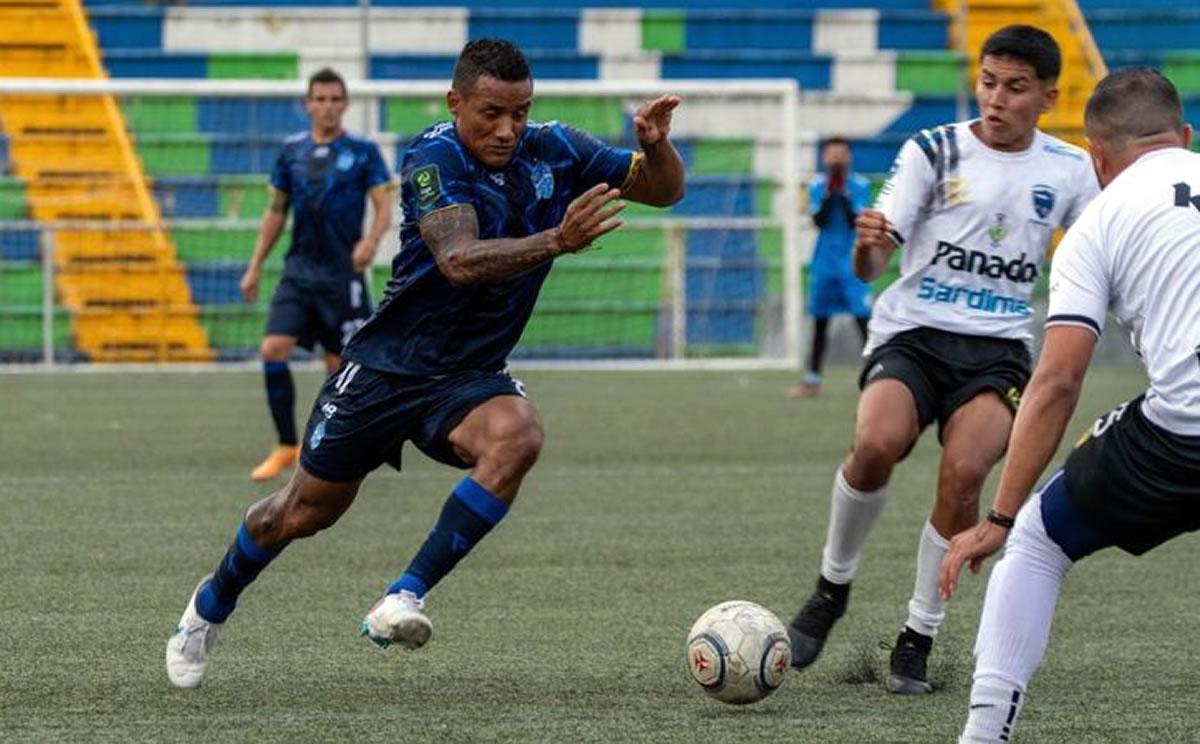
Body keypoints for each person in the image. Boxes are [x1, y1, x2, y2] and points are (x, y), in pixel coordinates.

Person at [165, 38, 685, 689]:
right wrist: (558, 239)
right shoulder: (432, 156)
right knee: (299, 514)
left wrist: (656, 145)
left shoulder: (557, 148)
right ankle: (207, 609)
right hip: (387, 369)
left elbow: (664, 192)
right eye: (491, 113)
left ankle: (404, 594)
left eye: (520, 113)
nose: (507, 129)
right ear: (456, 102)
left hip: (467, 377)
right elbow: (459, 261)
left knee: (518, 435)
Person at [783, 24, 1099, 695]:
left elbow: (1106, 246)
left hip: (999, 349)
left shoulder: (1070, 170)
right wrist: (869, 246)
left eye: (1016, 88)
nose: (997, 98)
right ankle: (830, 590)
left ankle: (917, 634)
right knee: (875, 442)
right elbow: (872, 264)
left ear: (1048, 96)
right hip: (914, 333)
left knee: (964, 471)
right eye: (989, 82)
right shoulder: (933, 149)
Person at [939, 68, 1200, 742]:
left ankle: (984, 732)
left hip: (1181, 436)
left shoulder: (1099, 222)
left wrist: (998, 514)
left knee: (1036, 540)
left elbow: (1056, 382)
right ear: (1187, 136)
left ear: (1098, 158)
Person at [240, 67, 394, 482]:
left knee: (339, 369)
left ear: (345, 105)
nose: (327, 107)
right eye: (319, 99)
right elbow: (276, 212)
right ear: (308, 104)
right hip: (298, 274)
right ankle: (286, 444)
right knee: (273, 348)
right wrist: (255, 265)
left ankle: (336, 449)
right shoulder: (291, 151)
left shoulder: (363, 151)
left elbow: (383, 204)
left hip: (342, 278)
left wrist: (373, 240)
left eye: (334, 99)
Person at [786, 137, 872, 399]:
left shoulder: (860, 186)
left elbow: (852, 221)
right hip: (824, 262)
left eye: (841, 154)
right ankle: (812, 380)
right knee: (820, 321)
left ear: (849, 158)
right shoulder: (816, 186)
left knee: (863, 322)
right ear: (824, 158)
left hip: (852, 262)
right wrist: (827, 194)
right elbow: (819, 221)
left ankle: (877, 379)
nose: (836, 159)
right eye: (831, 154)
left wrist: (842, 192)